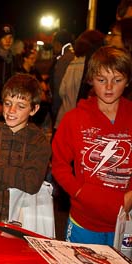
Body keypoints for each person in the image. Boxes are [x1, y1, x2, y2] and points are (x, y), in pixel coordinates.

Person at [51, 46, 132, 245]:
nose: (109, 87)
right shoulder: (74, 119)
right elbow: (59, 164)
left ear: (128, 81)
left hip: (126, 219)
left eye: (117, 80)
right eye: (101, 80)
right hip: (83, 221)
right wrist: (78, 191)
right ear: (90, 80)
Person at [0, 73, 51, 222]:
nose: (11, 111)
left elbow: (32, 184)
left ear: (34, 109)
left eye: (21, 106)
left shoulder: (39, 142)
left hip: (23, 220)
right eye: (8, 103)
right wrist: (18, 176)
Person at [48, 29, 75, 136]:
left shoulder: (64, 59)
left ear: (59, 43)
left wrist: (55, 109)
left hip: (62, 108)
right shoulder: (74, 55)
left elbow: (59, 88)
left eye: (53, 42)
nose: (52, 46)